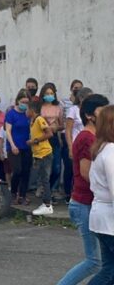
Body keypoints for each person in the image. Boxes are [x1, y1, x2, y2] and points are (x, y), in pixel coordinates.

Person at [59, 94, 109, 285]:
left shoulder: (95, 137)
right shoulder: (87, 138)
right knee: (94, 261)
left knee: (104, 263)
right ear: (90, 115)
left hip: (89, 204)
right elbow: (86, 173)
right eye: (102, 109)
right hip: (84, 204)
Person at [88, 106, 114, 284]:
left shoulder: (101, 148)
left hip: (101, 218)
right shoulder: (111, 151)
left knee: (109, 270)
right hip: (109, 220)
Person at [27, 101, 54, 216]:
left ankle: (47, 205)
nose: (26, 112)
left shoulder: (39, 119)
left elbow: (49, 133)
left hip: (44, 154)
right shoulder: (32, 122)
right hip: (38, 155)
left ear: (32, 111)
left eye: (27, 109)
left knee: (45, 180)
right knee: (41, 179)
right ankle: (45, 203)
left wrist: (35, 141)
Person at [40, 83, 66, 201]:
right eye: (47, 93)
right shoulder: (40, 107)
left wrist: (56, 128)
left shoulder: (58, 108)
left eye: (51, 93)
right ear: (43, 94)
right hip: (42, 138)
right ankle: (46, 193)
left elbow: (62, 125)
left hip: (54, 138)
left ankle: (49, 189)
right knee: (45, 168)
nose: (49, 95)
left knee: (56, 168)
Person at [6, 90, 32, 205]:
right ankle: (13, 192)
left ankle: (23, 195)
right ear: (18, 101)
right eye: (23, 102)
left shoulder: (29, 114)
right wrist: (12, 145)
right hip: (14, 146)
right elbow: (8, 130)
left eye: (27, 102)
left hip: (26, 146)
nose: (24, 104)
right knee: (17, 170)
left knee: (26, 171)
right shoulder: (11, 113)